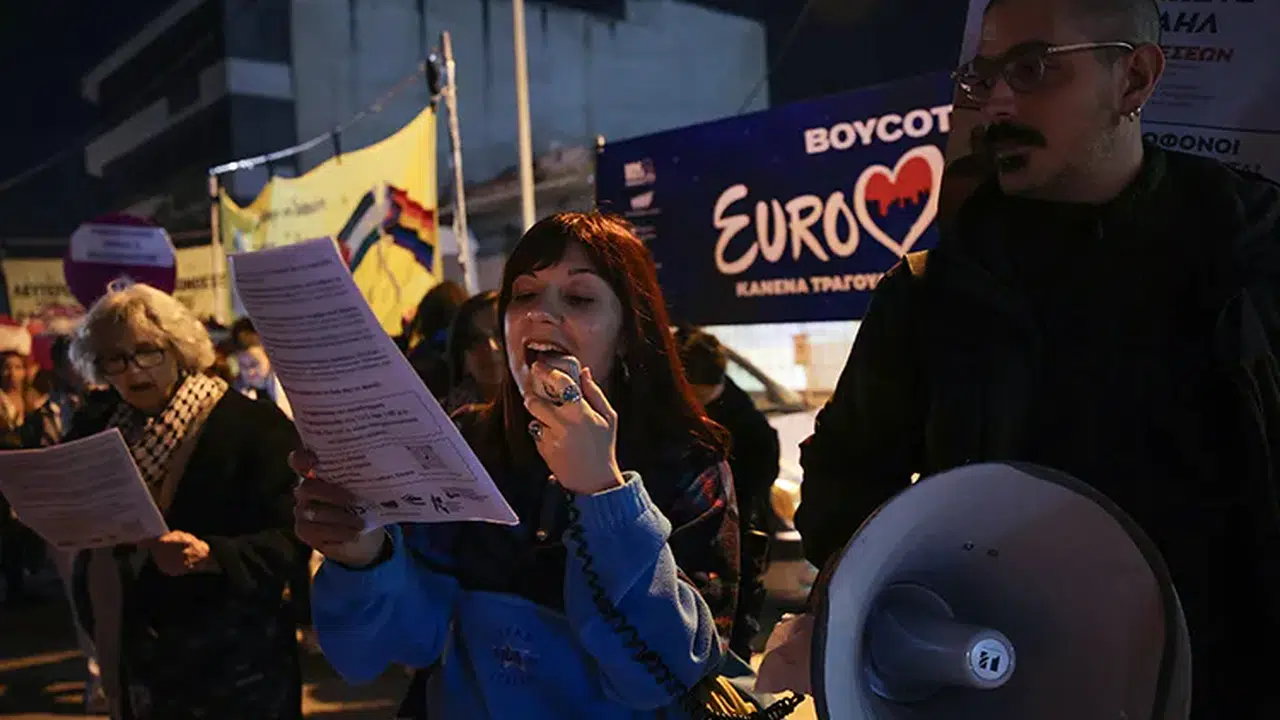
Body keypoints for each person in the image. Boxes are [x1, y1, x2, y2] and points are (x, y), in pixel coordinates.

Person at [794, 0, 1280, 715]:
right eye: (982, 77)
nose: (997, 102)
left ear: (1135, 78)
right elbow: (845, 474)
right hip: (1006, 683)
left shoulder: (1256, 258)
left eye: (1032, 69)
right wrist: (864, 585)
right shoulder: (932, 293)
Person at [295, 212, 744, 719]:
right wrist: (364, 557)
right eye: (524, 294)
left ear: (627, 332)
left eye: (579, 298)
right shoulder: (464, 442)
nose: (539, 314)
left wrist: (604, 492)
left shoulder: (687, 462)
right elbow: (387, 651)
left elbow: (665, 673)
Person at [64, 282, 306, 719]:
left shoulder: (252, 425)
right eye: (116, 359)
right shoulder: (96, 426)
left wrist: (213, 555)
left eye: (148, 351)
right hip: (139, 664)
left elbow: (293, 539)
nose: (133, 371)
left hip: (236, 670)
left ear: (179, 349)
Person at [676, 327, 780, 662]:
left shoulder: (749, 427)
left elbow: (754, 491)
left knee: (730, 649)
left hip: (734, 550)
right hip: (690, 552)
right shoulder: (676, 411)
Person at [443, 290, 503, 411]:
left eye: (500, 335)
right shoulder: (442, 416)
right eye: (477, 340)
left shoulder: (542, 404)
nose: (491, 347)